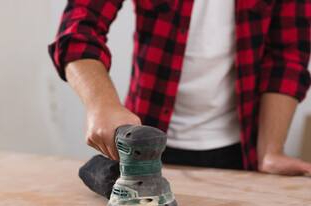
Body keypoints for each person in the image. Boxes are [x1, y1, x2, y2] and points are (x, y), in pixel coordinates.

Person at [49, 0, 311, 176]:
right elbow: (79, 29)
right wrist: (101, 104)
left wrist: (270, 152)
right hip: (143, 143)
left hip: (241, 154)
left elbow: (287, 55)